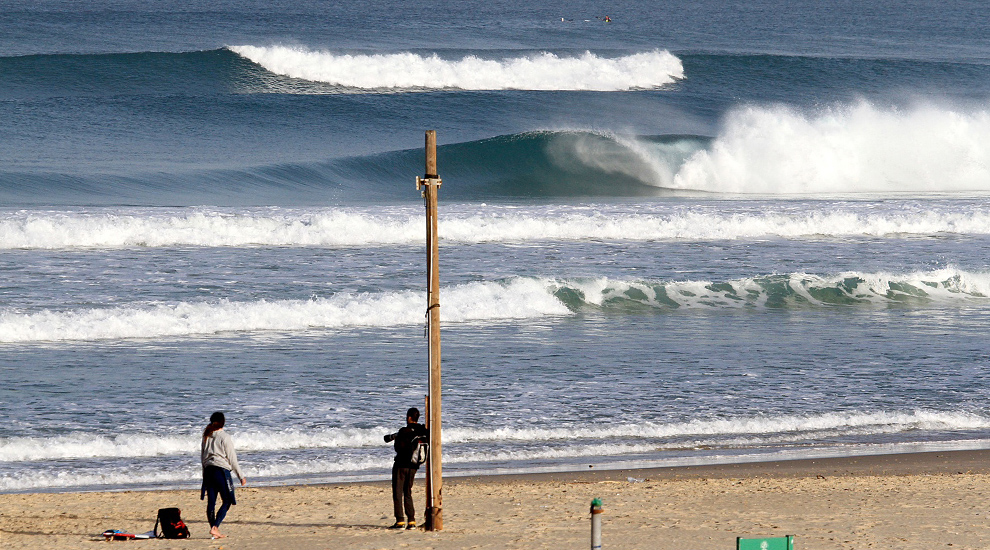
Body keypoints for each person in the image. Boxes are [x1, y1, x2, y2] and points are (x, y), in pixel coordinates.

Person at [200, 411, 246, 540]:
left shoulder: (206, 436)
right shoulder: (225, 437)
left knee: (211, 503)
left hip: (208, 471)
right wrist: (241, 476)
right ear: (223, 422)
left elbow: (203, 458)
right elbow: (232, 459)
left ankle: (215, 529)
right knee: (227, 500)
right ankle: (215, 528)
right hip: (221, 471)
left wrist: (204, 476)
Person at [383, 407, 428, 530]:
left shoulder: (404, 431)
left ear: (408, 417)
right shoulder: (424, 430)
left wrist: (396, 438)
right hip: (414, 466)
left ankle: (400, 521)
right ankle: (412, 521)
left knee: (397, 493)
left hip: (401, 465)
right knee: (408, 492)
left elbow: (398, 448)